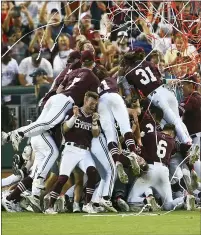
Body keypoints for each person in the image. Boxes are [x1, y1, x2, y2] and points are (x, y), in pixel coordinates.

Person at [2, 50, 100, 153]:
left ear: (82, 62)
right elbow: (92, 101)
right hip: (66, 100)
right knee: (47, 123)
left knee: (40, 125)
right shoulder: (94, 79)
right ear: (93, 63)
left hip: (55, 98)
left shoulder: (73, 72)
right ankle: (19, 134)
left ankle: (8, 136)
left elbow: (59, 89)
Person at [119, 47, 192, 144]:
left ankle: (186, 142)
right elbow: (160, 80)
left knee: (172, 120)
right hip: (166, 91)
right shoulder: (149, 64)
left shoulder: (129, 73)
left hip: (156, 96)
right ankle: (189, 141)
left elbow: (134, 94)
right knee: (178, 119)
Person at [45, 91, 100, 214]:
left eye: (95, 104)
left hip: (85, 151)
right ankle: (49, 206)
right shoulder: (73, 111)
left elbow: (95, 134)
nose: (93, 106)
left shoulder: (93, 116)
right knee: (63, 178)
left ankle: (87, 204)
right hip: (70, 149)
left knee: (92, 172)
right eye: (91, 103)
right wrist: (75, 117)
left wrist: (95, 122)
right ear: (85, 100)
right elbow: (64, 129)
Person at [127, 124, 196, 211]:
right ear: (172, 133)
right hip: (164, 171)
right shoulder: (172, 141)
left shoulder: (151, 135)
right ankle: (185, 199)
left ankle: (146, 201)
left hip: (150, 169)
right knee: (168, 205)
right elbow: (185, 147)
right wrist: (191, 150)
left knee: (131, 200)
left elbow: (139, 139)